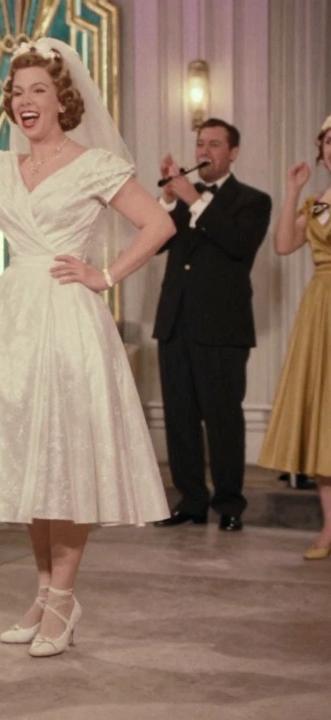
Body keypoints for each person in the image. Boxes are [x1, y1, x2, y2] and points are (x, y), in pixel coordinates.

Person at [0, 38, 174, 657]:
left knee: (67, 458)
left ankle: (63, 598)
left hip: (68, 318)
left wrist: (105, 276)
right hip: (15, 320)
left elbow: (160, 223)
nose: (24, 101)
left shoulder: (94, 165)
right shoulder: (3, 166)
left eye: (37, 90)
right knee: (33, 459)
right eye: (16, 91)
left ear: (62, 100)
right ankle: (42, 592)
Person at [152, 118, 273, 533]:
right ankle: (191, 500)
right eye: (200, 143)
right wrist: (170, 198)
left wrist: (194, 201)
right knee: (180, 416)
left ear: (233, 152)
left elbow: (238, 245)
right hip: (176, 322)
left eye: (214, 144)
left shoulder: (253, 201)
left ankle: (229, 504)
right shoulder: (184, 198)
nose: (204, 151)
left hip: (222, 328)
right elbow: (154, 241)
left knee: (222, 418)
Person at [257, 115, 331, 559]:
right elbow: (284, 244)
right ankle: (328, 530)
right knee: (324, 414)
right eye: (327, 141)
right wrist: (292, 193)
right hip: (321, 306)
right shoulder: (320, 205)